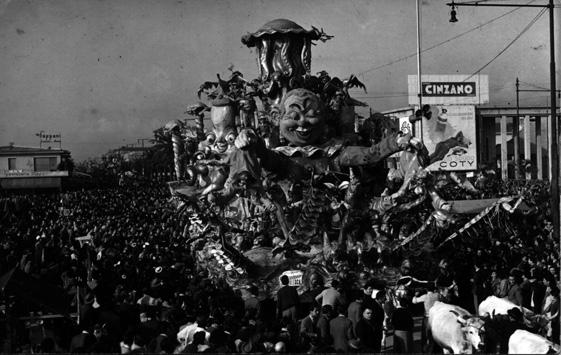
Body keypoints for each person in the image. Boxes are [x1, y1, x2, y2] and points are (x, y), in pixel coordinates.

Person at [412, 282, 440, 352]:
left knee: (427, 335)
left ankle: (428, 349)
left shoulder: (425, 296)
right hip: (437, 317)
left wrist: (415, 295)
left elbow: (414, 301)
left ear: (427, 289)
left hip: (427, 318)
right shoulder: (438, 295)